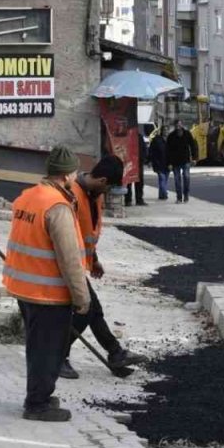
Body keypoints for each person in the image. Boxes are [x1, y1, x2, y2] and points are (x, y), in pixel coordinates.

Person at [2, 145, 91, 422]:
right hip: (49, 294)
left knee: (37, 346)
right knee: (48, 351)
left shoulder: (28, 197)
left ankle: (41, 393)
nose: (76, 178)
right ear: (66, 177)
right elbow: (69, 259)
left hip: (23, 287)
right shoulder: (57, 207)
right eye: (74, 173)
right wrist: (82, 297)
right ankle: (37, 404)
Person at [59, 154, 144, 380]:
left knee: (92, 311)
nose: (106, 194)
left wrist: (93, 259)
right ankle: (58, 355)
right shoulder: (71, 196)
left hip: (78, 263)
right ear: (103, 181)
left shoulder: (94, 194)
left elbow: (88, 233)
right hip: (64, 265)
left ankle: (115, 353)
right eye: (109, 188)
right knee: (86, 310)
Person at [166, 119, 194, 203]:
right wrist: (169, 163)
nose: (178, 127)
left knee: (186, 177)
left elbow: (193, 146)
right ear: (174, 126)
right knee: (177, 180)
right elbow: (168, 151)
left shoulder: (187, 134)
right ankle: (179, 197)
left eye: (179, 125)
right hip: (175, 162)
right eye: (176, 125)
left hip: (185, 160)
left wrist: (194, 158)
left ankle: (186, 195)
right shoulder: (171, 136)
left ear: (182, 125)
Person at [125, 131, 148, 207]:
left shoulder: (139, 136)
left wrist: (143, 159)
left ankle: (139, 199)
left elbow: (144, 148)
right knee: (129, 182)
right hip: (130, 162)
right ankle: (128, 200)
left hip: (138, 162)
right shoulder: (127, 136)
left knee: (139, 182)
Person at [148, 126, 169, 201]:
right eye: (164, 130)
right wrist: (150, 160)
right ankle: (165, 193)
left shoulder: (169, 140)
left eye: (167, 130)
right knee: (162, 178)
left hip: (167, 163)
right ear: (161, 131)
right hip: (158, 163)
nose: (165, 131)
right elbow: (151, 150)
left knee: (164, 180)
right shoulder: (156, 139)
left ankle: (161, 195)